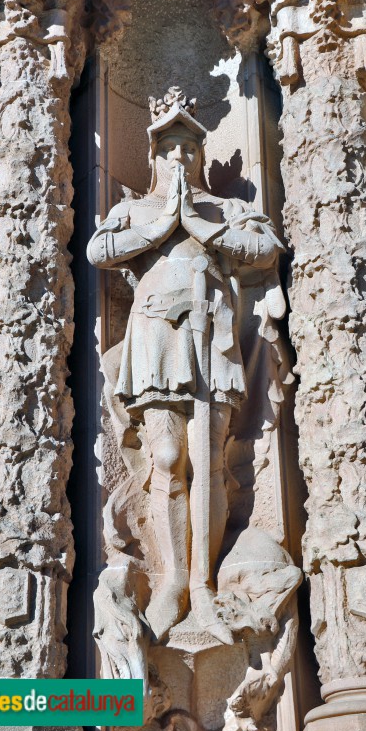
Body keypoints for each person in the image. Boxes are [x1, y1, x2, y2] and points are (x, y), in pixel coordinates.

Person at [87, 88, 284, 644]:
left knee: (207, 457)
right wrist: (162, 224)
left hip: (212, 335)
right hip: (155, 336)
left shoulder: (227, 209)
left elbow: (265, 248)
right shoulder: (135, 210)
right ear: (153, 154)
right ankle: (172, 578)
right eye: (168, 147)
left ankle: (203, 582)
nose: (178, 157)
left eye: (187, 148)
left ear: (199, 153)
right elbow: (99, 252)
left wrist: (197, 222)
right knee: (169, 457)